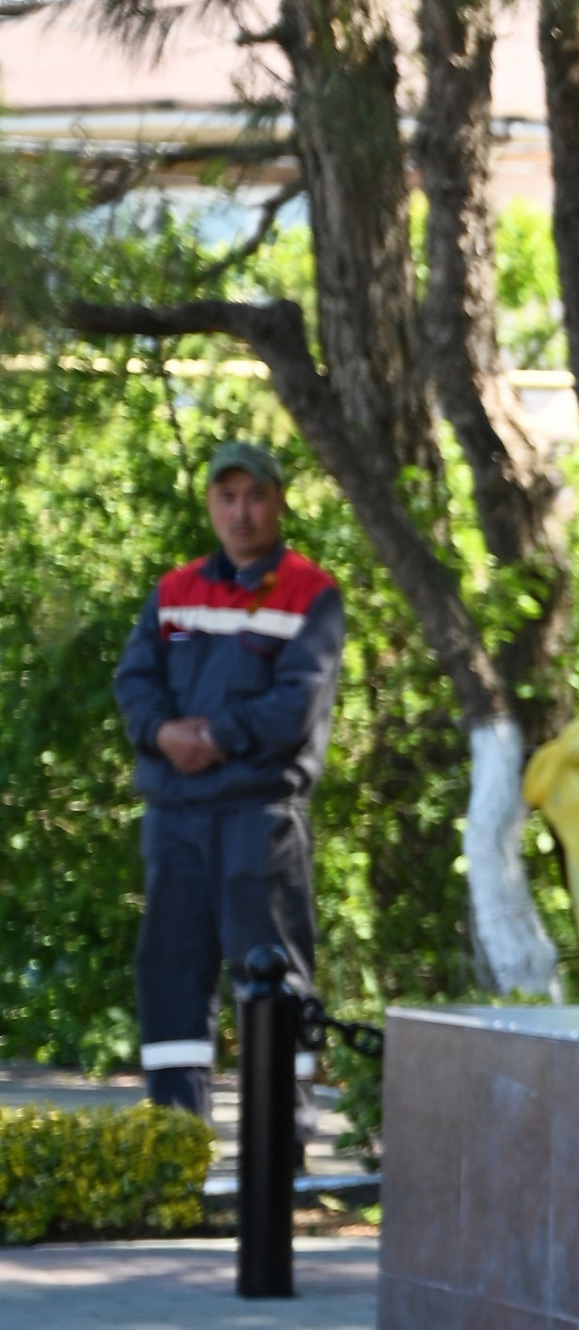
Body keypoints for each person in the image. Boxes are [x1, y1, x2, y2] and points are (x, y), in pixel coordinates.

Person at [114, 442, 345, 1125]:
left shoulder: (311, 592)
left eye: (254, 496)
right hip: (175, 816)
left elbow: (295, 703)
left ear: (277, 500)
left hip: (259, 816)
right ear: (211, 502)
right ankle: (175, 1141)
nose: (240, 512)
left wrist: (213, 737)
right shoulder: (175, 590)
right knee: (171, 975)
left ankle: (283, 1147)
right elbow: (134, 679)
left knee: (270, 976)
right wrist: (162, 733)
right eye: (227, 496)